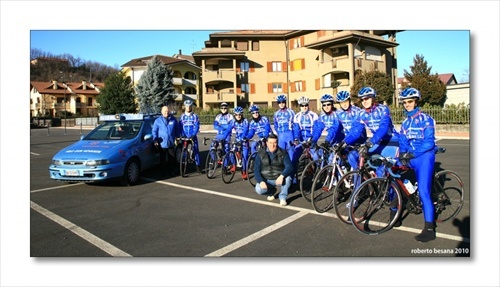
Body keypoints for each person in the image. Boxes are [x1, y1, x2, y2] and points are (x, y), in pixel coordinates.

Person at [398, 87, 437, 242]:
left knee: (423, 191)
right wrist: (402, 154)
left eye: (410, 101)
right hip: (412, 156)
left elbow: (428, 143)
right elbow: (403, 141)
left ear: (416, 102)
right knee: (393, 173)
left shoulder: (426, 119)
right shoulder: (405, 123)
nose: (407, 105)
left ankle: (429, 229)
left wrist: (412, 154)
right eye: (405, 102)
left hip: (424, 157)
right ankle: (395, 212)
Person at [357, 86, 400, 160]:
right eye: (362, 99)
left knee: (385, 167)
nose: (364, 101)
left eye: (367, 98)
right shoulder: (361, 113)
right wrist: (345, 142)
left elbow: (383, 128)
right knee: (358, 155)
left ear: (373, 98)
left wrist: (370, 142)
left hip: (392, 140)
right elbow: (356, 130)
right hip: (378, 141)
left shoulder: (383, 109)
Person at [253, 133, 294, 206]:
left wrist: (282, 176)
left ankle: (282, 197)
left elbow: (289, 166)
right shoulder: (260, 153)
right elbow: (256, 170)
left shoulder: (283, 153)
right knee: (258, 189)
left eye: (275, 143)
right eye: (270, 143)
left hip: (279, 178)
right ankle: (271, 192)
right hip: (267, 179)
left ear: (277, 143)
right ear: (267, 143)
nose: (272, 145)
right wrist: (261, 181)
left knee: (288, 178)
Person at [332, 91, 367, 169]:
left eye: (346, 101)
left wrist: (344, 142)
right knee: (333, 157)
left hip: (358, 141)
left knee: (352, 158)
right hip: (346, 142)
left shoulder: (357, 111)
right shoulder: (338, 113)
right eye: (342, 102)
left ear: (349, 101)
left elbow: (356, 131)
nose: (344, 104)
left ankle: (356, 179)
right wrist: (328, 141)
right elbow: (334, 129)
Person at [311, 94, 345, 160]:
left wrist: (327, 141)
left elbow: (334, 129)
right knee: (316, 155)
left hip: (338, 140)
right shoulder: (322, 116)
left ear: (332, 105)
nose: (326, 107)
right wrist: (314, 140)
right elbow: (319, 129)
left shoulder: (337, 114)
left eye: (328, 104)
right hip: (328, 140)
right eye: (324, 105)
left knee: (331, 159)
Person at [292, 96, 319, 173]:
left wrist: (312, 138)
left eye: (306, 105)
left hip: (311, 140)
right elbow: (296, 129)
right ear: (300, 106)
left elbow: (316, 129)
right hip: (302, 140)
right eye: (302, 105)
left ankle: (319, 173)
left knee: (316, 158)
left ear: (308, 105)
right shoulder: (297, 116)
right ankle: (293, 178)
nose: (304, 107)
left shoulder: (313, 115)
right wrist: (296, 138)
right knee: (294, 158)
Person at [153, 105, 180, 176]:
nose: (166, 112)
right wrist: (155, 139)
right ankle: (163, 173)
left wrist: (177, 137)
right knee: (162, 159)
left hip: (170, 142)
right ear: (162, 112)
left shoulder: (173, 119)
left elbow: (176, 128)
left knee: (172, 158)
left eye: (167, 111)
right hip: (162, 144)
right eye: (165, 111)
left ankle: (171, 171)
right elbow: (154, 131)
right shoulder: (157, 121)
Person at [178, 99, 202, 173]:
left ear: (191, 107)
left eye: (189, 106)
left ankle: (198, 166)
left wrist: (193, 135)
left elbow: (197, 126)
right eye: (187, 106)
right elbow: (180, 127)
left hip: (192, 136)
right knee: (184, 151)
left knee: (195, 150)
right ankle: (184, 165)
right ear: (185, 107)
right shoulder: (182, 116)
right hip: (185, 136)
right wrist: (182, 135)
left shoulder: (195, 116)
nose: (188, 108)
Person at [229, 106, 250, 179]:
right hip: (237, 139)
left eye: (240, 114)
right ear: (234, 115)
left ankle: (244, 171)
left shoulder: (245, 121)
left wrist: (242, 139)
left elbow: (245, 131)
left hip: (244, 140)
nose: (238, 116)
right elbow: (228, 130)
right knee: (231, 151)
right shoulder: (233, 121)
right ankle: (234, 165)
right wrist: (222, 138)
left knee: (244, 157)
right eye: (237, 115)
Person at [273, 94, 295, 161]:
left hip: (289, 134)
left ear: (285, 102)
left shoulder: (291, 112)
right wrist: (278, 132)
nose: (281, 104)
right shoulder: (276, 113)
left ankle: (292, 169)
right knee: (281, 153)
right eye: (279, 102)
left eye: (283, 102)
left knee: (291, 152)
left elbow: (295, 124)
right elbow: (275, 125)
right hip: (281, 135)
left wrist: (293, 134)